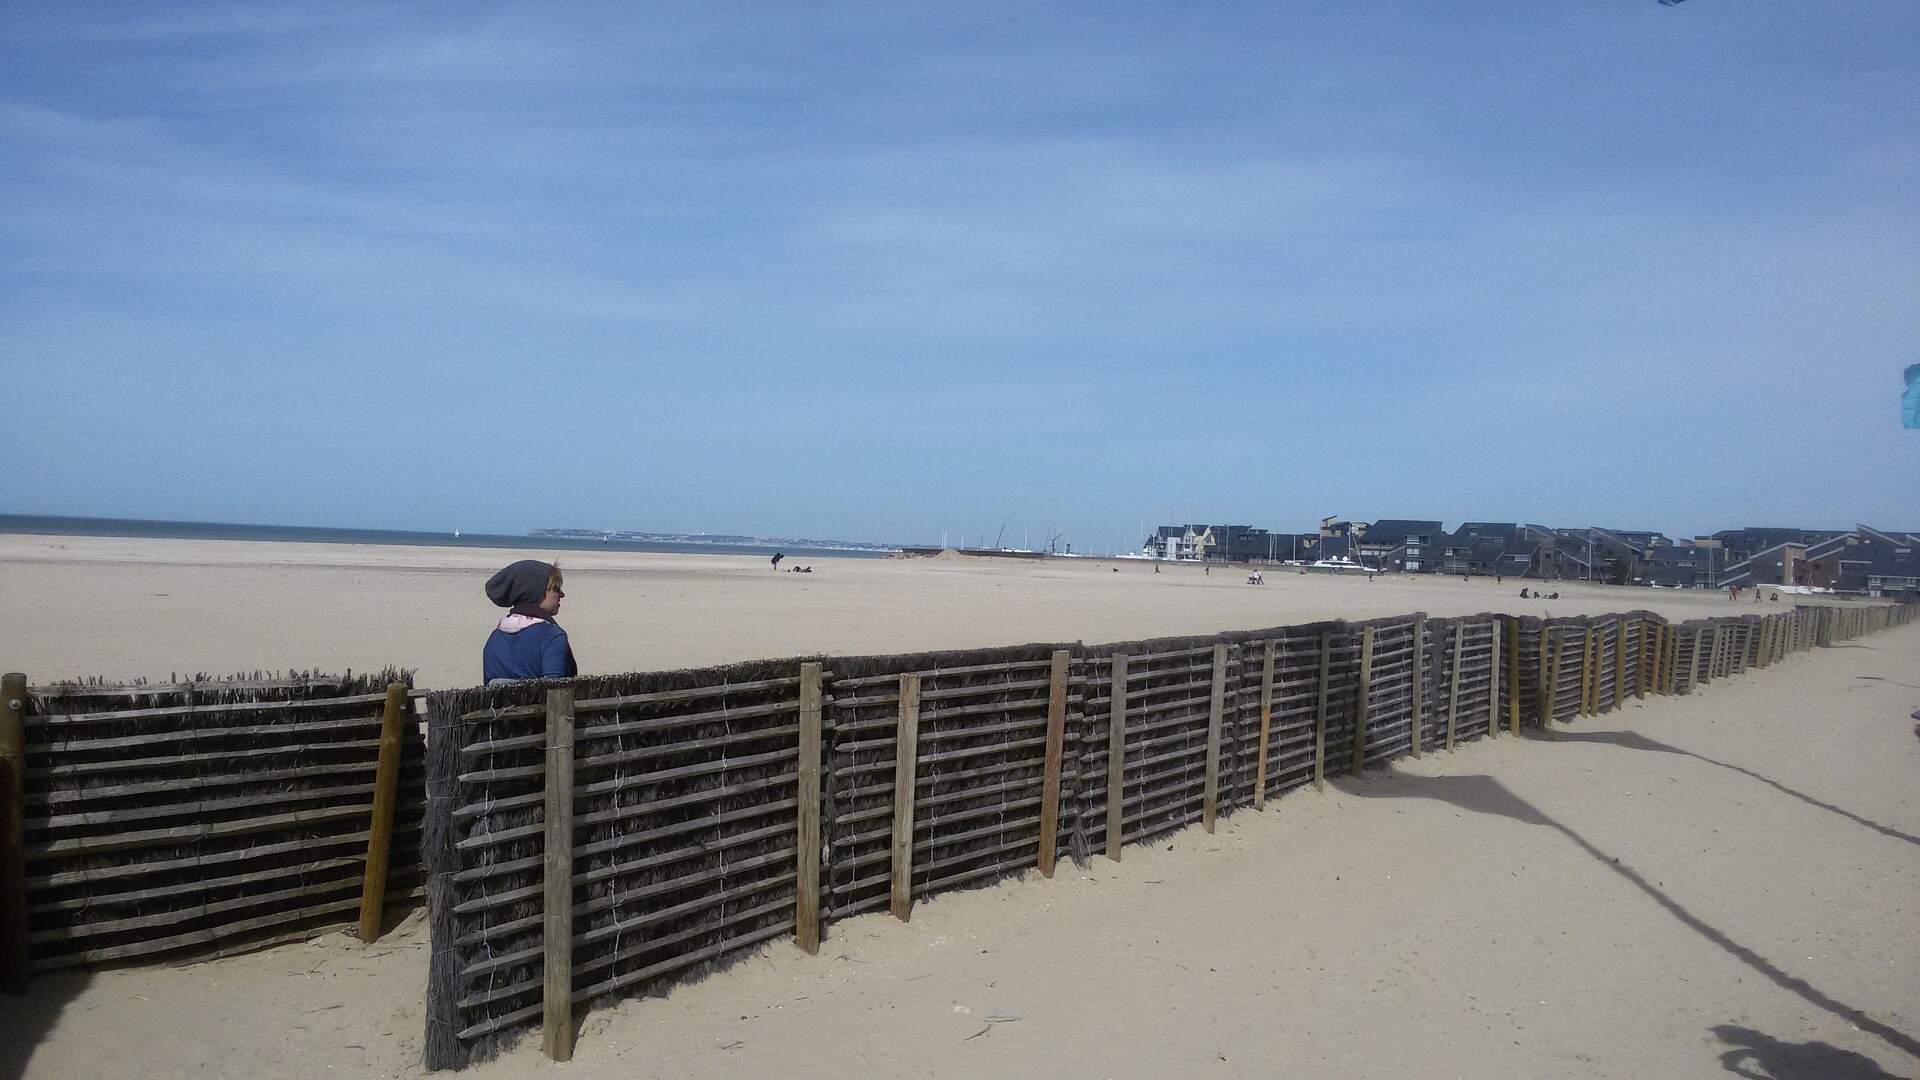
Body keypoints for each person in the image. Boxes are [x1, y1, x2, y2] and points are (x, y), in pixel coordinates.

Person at [482, 559, 578, 684]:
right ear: (536, 591)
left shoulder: (494, 638)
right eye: (556, 588)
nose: (561, 594)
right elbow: (555, 690)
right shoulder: (552, 636)